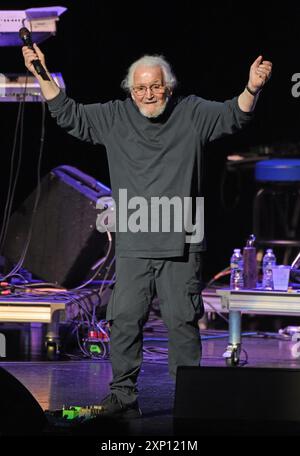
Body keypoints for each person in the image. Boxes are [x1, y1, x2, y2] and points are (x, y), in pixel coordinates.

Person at [22, 44, 272, 418]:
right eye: (140, 88)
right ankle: (123, 396)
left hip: (182, 241)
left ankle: (191, 399)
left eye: (155, 87)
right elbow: (68, 114)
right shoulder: (115, 117)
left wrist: (252, 88)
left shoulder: (191, 113)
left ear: (168, 87)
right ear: (130, 90)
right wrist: (40, 72)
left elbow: (234, 116)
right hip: (136, 240)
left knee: (181, 321)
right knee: (124, 320)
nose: (148, 94)